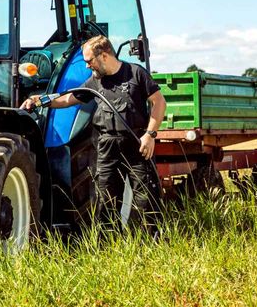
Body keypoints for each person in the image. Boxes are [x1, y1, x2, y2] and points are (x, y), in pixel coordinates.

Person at [21, 36, 166, 232]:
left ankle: (149, 243)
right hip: (107, 146)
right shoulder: (95, 82)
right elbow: (68, 99)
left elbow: (159, 102)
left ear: (104, 55)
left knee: (145, 198)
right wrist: (41, 100)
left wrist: (150, 135)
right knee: (105, 199)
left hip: (136, 144)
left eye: (89, 61)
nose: (88, 66)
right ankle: (108, 247)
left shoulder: (135, 73)